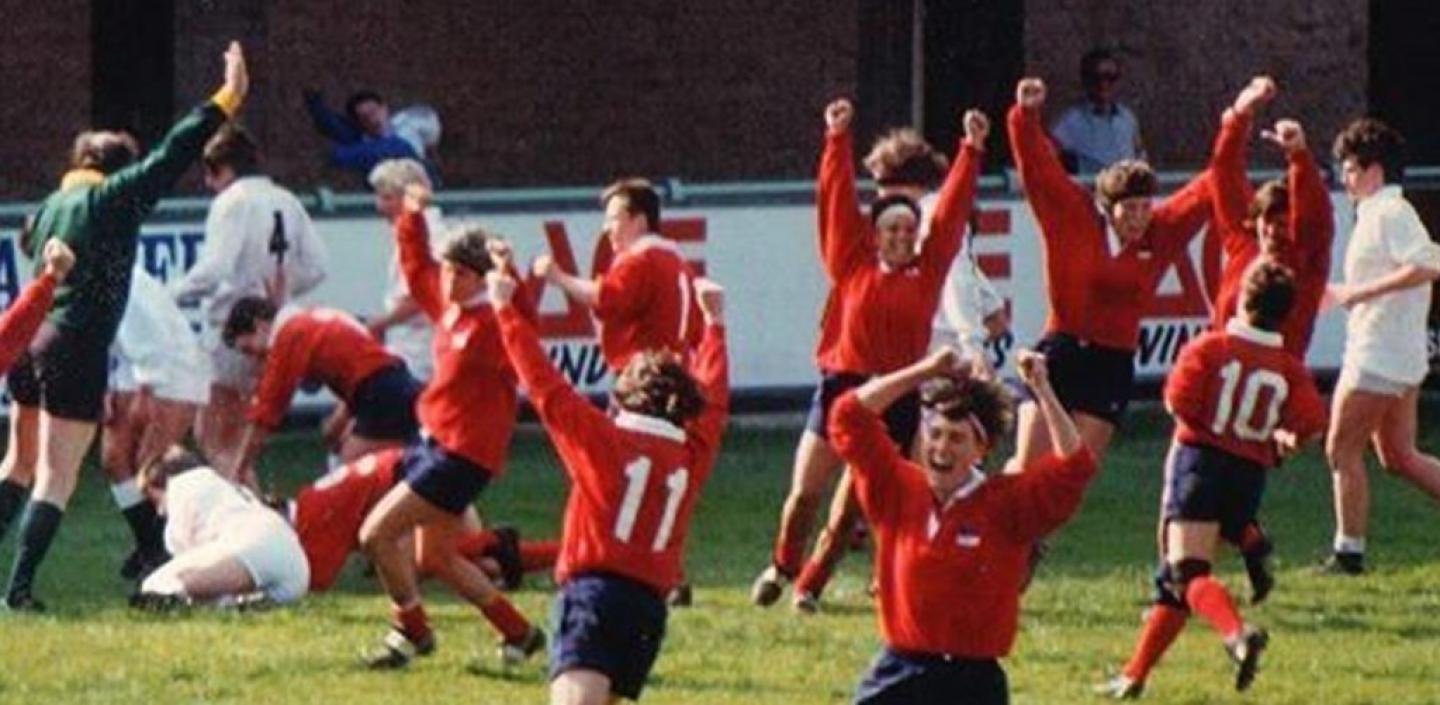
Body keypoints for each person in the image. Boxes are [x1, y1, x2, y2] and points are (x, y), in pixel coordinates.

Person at [0, 42, 247, 612]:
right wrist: (226, 98)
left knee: (16, 463)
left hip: (30, 343)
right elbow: (171, 154)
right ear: (113, 170)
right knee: (56, 478)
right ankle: (18, 592)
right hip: (76, 344)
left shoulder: (46, 209)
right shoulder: (110, 200)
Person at [751, 98, 986, 612]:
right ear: (874, 234)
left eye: (909, 229)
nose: (902, 236)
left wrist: (971, 149)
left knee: (849, 509)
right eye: (891, 229)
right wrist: (836, 137)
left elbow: (948, 214)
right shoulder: (852, 264)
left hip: (895, 400)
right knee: (805, 491)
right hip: (841, 387)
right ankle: (781, 564)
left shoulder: (928, 273)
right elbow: (834, 202)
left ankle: (809, 587)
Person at [491, 266, 728, 705]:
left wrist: (505, 310)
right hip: (648, 609)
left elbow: (544, 385)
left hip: (594, 595)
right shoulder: (691, 452)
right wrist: (714, 327)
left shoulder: (606, 440)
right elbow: (715, 404)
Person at [1099, 260, 1328, 698]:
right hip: (1249, 475)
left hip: (1200, 465)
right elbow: (1310, 421)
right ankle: (1134, 675)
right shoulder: (1288, 367)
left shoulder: (1210, 348)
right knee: (1174, 582)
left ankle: (1238, 635)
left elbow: (1179, 402)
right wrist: (1280, 440)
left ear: (1243, 299)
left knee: (1187, 575)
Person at [832, 345, 1096, 704]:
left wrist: (1042, 389)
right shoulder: (898, 489)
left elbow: (1075, 467)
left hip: (972, 681)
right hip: (900, 672)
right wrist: (924, 370)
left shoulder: (1005, 504)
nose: (941, 448)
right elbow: (848, 415)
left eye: (956, 438)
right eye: (934, 434)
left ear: (980, 450)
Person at [357, 183, 543, 670]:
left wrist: (512, 276)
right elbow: (416, 265)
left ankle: (411, 633)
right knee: (436, 559)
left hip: (462, 456)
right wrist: (413, 215)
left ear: (481, 279)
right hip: (434, 446)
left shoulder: (494, 324)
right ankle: (520, 633)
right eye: (449, 269)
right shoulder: (451, 309)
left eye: (461, 272)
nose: (448, 279)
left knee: (375, 535)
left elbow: (524, 322)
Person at [1004, 76, 1213, 474]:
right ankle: (986, 531)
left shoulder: (1160, 234)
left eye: (1143, 208)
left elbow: (1207, 189)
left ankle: (1036, 538)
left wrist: (1238, 120)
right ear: (1107, 207)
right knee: (1027, 465)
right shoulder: (1074, 220)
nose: (1137, 219)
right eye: (1128, 210)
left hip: (1112, 364)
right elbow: (1039, 173)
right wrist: (1025, 116)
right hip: (1062, 352)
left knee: (1075, 473)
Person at [1202, 76, 1334, 602]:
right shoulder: (1240, 245)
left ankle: (1194, 575)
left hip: (1269, 395)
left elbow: (1317, 219)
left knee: (1217, 485)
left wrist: (1299, 156)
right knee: (1209, 484)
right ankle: (1239, 548)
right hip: (1221, 382)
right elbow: (1222, 173)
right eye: (1266, 223)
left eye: (1284, 224)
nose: (1274, 233)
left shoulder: (1306, 262)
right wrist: (1239, 114)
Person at [173, 122, 328, 474]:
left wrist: (169, 295)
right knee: (240, 442)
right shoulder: (287, 199)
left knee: (213, 440)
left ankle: (245, 518)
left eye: (210, 176)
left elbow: (214, 269)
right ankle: (254, 511)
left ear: (223, 169)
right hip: (269, 328)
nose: (209, 186)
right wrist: (280, 296)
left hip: (230, 331)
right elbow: (318, 266)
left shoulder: (232, 202)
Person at [1322, 117, 1440, 574]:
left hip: (1380, 354)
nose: (1344, 178)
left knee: (1341, 448)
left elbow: (1429, 263)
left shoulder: (1391, 212)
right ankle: (1348, 549)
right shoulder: (1376, 212)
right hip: (1395, 352)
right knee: (1398, 456)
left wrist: (1356, 293)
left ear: (1373, 171)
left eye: (1350, 169)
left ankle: (1348, 552)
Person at [291, 449, 557, 594]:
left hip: (420, 477)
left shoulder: (311, 518)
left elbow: (313, 583)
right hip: (419, 469)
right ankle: (563, 555)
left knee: (418, 567)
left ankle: (494, 542)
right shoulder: (310, 502)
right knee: (479, 567)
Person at [222, 297, 422, 486]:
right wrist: (340, 422)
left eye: (248, 349)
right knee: (389, 476)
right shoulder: (312, 317)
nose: (256, 359)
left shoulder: (289, 334)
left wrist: (238, 470)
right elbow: (365, 368)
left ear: (260, 325)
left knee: (348, 481)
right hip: (396, 387)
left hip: (382, 394)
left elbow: (266, 412)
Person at [103, 262, 212, 580]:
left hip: (173, 370)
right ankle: (151, 546)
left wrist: (147, 389)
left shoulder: (119, 275)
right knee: (113, 460)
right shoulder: (84, 277)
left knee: (151, 467)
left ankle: (176, 554)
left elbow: (153, 337)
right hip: (130, 369)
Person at [534, 178, 703, 373]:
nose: (606, 228)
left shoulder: (640, 261)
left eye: (613, 219)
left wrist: (558, 277)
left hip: (644, 378)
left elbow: (605, 297)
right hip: (678, 376)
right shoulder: (679, 263)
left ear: (639, 221)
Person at [131, 447, 308, 607]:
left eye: (156, 502)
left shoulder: (180, 485)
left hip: (250, 546)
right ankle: (244, 601)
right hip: (295, 568)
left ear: (162, 481)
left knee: (156, 584)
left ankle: (189, 598)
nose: (161, 512)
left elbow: (182, 551)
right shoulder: (227, 486)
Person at [363, 158, 447, 382]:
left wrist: (379, 324)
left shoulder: (431, 239)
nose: (379, 207)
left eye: (387, 198)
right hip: (413, 345)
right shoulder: (423, 234)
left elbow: (419, 299)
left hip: (419, 350)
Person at [1050, 48, 1146, 175]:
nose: (1103, 84)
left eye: (1110, 77)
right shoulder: (1070, 122)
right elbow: (1050, 158)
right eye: (1096, 77)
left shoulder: (1127, 119)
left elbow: (1140, 155)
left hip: (1125, 191)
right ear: (1085, 80)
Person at [304, 89, 435, 182]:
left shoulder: (404, 134)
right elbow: (333, 125)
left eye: (374, 112)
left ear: (384, 108)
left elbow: (380, 150)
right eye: (365, 117)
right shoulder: (362, 138)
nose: (373, 120)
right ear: (359, 122)